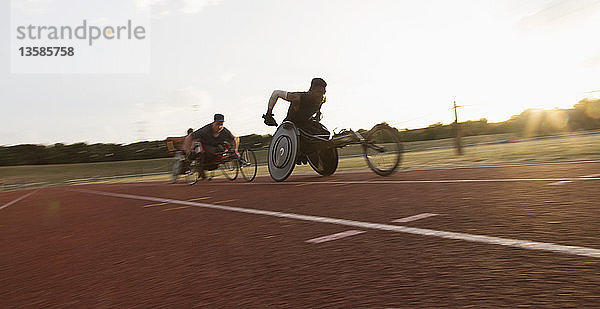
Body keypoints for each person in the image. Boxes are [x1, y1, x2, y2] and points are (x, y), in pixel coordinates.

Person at [262, 77, 330, 164]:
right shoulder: (297, 97)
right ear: (311, 90)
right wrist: (269, 114)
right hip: (291, 126)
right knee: (307, 138)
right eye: (318, 92)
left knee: (325, 134)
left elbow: (317, 110)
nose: (320, 95)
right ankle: (300, 153)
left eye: (323, 92)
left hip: (306, 123)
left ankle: (314, 155)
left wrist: (317, 117)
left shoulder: (322, 99)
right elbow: (276, 93)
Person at [186, 114, 239, 178]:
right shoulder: (205, 130)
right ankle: (200, 168)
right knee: (200, 150)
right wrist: (188, 151)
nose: (219, 127)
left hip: (218, 148)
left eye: (221, 124)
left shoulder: (224, 131)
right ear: (213, 123)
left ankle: (240, 161)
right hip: (206, 148)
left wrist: (235, 149)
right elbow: (190, 137)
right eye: (217, 124)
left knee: (226, 149)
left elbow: (235, 138)